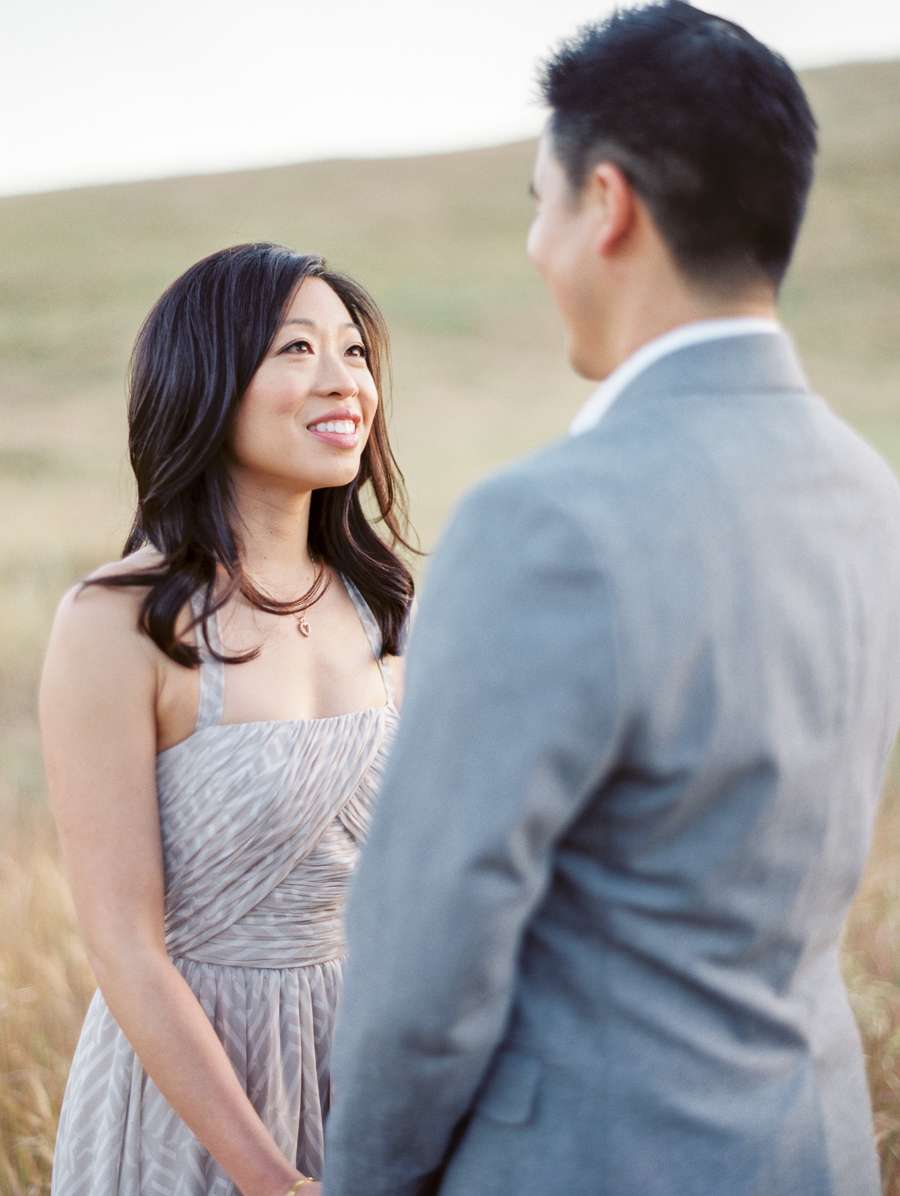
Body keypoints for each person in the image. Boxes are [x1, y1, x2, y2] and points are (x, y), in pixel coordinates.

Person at [322, 5, 900, 1194]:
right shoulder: (870, 491)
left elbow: (425, 959)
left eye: (540, 203)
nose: (536, 245)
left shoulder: (542, 523)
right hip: (810, 1146)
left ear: (608, 203)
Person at [39, 242, 414, 1196]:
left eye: (355, 351)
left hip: (363, 1077)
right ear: (206, 381)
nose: (343, 381)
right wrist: (265, 1176)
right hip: (188, 1097)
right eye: (295, 349)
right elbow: (124, 942)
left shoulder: (390, 606)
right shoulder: (117, 620)